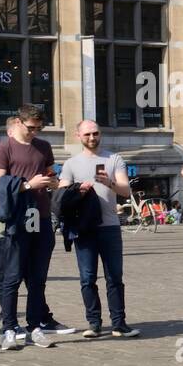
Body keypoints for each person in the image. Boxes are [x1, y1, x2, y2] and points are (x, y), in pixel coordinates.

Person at [0, 104, 71, 349]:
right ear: (18, 122)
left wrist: (54, 182)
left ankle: (35, 326)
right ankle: (8, 328)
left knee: (37, 278)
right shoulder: (4, 147)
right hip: (16, 218)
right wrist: (28, 185)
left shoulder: (44, 147)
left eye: (39, 128)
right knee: (12, 276)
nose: (34, 132)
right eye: (30, 128)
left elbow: (48, 173)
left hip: (40, 215)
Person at [57, 120, 138, 339]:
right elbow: (62, 196)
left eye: (95, 133)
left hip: (110, 226)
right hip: (84, 227)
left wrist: (109, 182)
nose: (92, 138)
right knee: (87, 278)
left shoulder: (114, 158)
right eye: (87, 135)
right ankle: (94, 324)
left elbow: (125, 190)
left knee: (114, 277)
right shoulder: (71, 164)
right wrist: (78, 190)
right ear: (78, 136)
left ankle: (119, 324)